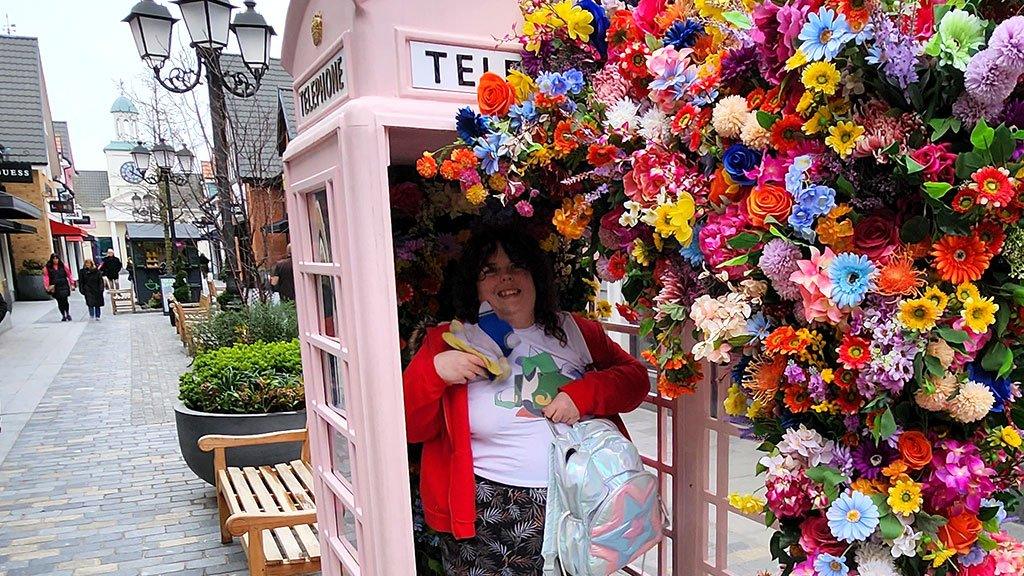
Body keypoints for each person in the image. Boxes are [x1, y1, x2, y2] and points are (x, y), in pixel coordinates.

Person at [402, 229, 649, 575]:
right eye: (488, 270)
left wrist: (582, 395)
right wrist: (435, 372)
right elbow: (411, 428)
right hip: (485, 511)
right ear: (473, 285)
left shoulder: (574, 331)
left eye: (516, 266)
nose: (504, 277)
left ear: (535, 276)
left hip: (573, 504)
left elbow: (636, 379)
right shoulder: (449, 342)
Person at [43, 253, 76, 322]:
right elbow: (46, 277)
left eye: (56, 258)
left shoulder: (63, 266)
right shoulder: (48, 268)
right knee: (59, 301)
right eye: (54, 259)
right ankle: (63, 315)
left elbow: (69, 275)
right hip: (55, 286)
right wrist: (47, 286)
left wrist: (72, 283)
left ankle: (67, 313)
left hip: (64, 284)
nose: (55, 260)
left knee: (65, 300)